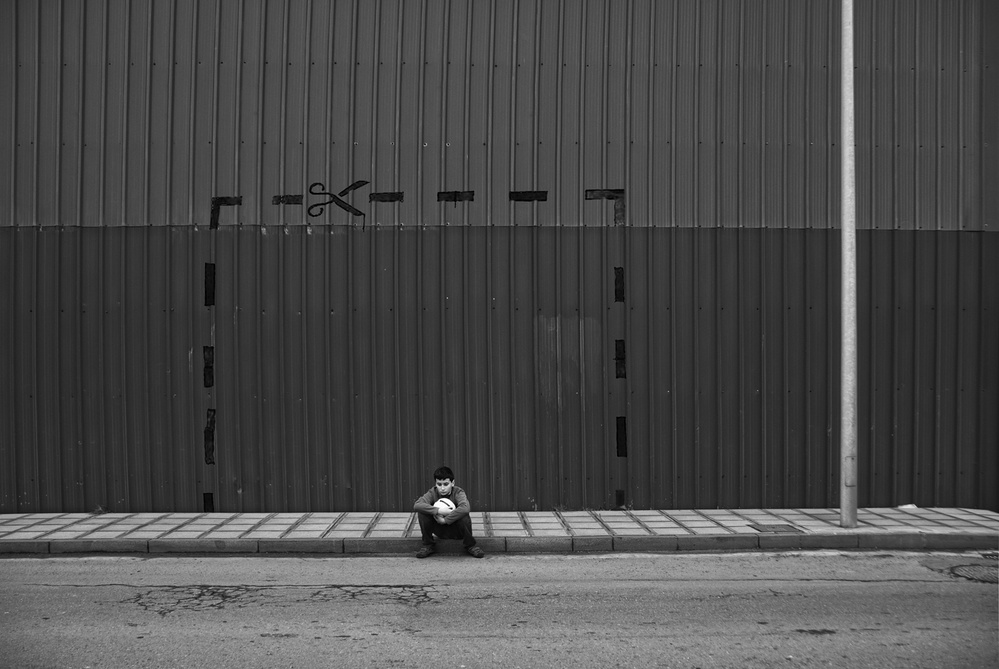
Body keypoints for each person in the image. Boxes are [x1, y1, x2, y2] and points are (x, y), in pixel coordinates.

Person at [413, 465, 485, 558]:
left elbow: (465, 508)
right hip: (439, 529)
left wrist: (445, 520)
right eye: (439, 484)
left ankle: (470, 546)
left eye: (446, 484)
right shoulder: (432, 492)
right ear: (435, 483)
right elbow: (417, 505)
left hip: (457, 530)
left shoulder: (458, 492)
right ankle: (428, 545)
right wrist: (439, 510)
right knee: (422, 513)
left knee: (464, 516)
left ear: (452, 483)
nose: (442, 488)